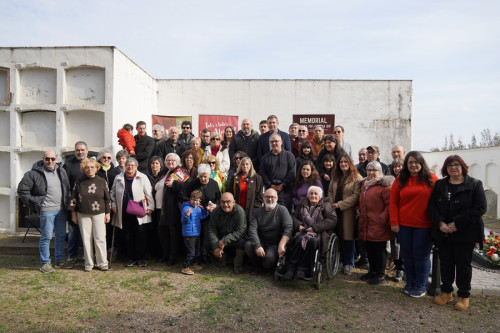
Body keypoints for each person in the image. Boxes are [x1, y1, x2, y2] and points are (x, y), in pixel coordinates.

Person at [428, 155, 487, 311]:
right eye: (449, 165)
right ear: (445, 169)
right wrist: (440, 223)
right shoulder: (440, 185)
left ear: (463, 166)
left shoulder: (474, 184)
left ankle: (463, 296)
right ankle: (446, 292)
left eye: (456, 165)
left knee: (463, 265)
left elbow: (480, 208)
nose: (453, 168)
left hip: (465, 232)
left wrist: (457, 223)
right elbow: (432, 207)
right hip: (444, 231)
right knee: (446, 263)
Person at [389, 151, 439, 298]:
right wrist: (394, 222)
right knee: (408, 256)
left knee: (421, 256)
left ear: (421, 163)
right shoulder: (400, 179)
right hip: (404, 225)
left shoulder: (432, 179)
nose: (413, 165)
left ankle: (420, 286)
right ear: (406, 164)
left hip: (424, 225)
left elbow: (438, 201)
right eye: (410, 162)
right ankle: (409, 283)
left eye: (416, 162)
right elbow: (393, 202)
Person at [17, 150, 71, 273]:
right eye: (47, 159)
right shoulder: (33, 174)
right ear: (43, 159)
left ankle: (59, 260)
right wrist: (35, 202)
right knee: (46, 237)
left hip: (61, 210)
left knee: (60, 236)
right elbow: (22, 190)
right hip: (46, 211)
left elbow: (66, 189)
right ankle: (45, 263)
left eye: (52, 159)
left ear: (56, 159)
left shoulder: (61, 171)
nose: (50, 161)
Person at [279, 186, 337, 280]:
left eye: (315, 194)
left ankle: (303, 269)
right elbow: (293, 216)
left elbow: (332, 220)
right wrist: (298, 225)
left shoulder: (326, 205)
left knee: (312, 242)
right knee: (298, 239)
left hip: (318, 233)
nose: (313, 195)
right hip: (302, 232)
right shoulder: (302, 204)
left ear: (320, 196)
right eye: (311, 193)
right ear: (308, 195)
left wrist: (315, 228)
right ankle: (291, 268)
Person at [110, 157, 154, 267]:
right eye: (128, 165)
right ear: (125, 166)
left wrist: (150, 207)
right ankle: (130, 258)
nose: (130, 167)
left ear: (136, 167)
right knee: (127, 235)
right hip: (124, 211)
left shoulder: (142, 177)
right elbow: (112, 193)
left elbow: (148, 193)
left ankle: (141, 258)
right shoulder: (118, 177)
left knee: (141, 235)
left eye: (132, 165)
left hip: (139, 210)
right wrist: (113, 205)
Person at [70, 158, 111, 272]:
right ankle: (88, 263)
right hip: (82, 213)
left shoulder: (102, 181)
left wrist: (107, 213)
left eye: (92, 167)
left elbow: (108, 199)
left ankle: (102, 262)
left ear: (97, 168)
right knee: (86, 239)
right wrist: (73, 214)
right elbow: (73, 198)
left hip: (99, 213)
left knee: (100, 238)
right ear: (83, 169)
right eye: (87, 167)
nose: (90, 169)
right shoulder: (79, 181)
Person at [357, 161, 394, 285]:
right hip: (366, 222)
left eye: (374, 170)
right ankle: (372, 271)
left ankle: (380, 274)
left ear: (380, 172)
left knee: (379, 250)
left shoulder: (384, 185)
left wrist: (381, 219)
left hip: (379, 223)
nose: (371, 173)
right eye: (369, 170)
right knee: (370, 248)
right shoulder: (364, 184)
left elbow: (390, 205)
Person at [328, 153, 362, 275]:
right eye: (341, 162)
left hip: (348, 212)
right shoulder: (336, 176)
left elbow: (356, 196)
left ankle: (349, 263)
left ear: (350, 163)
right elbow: (330, 191)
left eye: (345, 162)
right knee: (338, 236)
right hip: (335, 211)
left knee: (348, 238)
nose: (343, 164)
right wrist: (332, 203)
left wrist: (340, 204)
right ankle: (339, 261)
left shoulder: (357, 177)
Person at [245, 189, 293, 273]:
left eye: (272, 197)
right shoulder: (257, 212)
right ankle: (257, 266)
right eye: (267, 197)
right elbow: (252, 229)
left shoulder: (282, 210)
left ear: (277, 198)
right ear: (263, 197)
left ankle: (268, 267)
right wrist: (257, 245)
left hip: (275, 244)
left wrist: (282, 245)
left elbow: (288, 228)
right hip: (262, 241)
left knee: (269, 258)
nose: (270, 199)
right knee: (248, 245)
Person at [161, 153, 190, 266]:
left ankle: (173, 257)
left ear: (177, 162)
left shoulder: (180, 173)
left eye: (173, 160)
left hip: (176, 208)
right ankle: (167, 255)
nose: (170, 162)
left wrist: (175, 184)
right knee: (166, 233)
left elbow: (187, 187)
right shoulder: (167, 172)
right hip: (166, 207)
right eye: (168, 160)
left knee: (174, 234)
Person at [207, 192, 247, 274]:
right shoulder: (215, 212)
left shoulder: (240, 212)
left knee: (243, 243)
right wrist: (215, 246)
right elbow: (212, 229)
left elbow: (241, 231)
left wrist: (225, 240)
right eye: (223, 202)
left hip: (235, 238)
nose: (225, 205)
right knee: (209, 241)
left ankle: (237, 265)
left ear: (234, 202)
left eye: (228, 201)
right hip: (221, 237)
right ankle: (222, 260)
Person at [64, 141, 89, 266]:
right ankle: (72, 255)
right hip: (73, 202)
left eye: (82, 150)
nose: (80, 152)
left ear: (87, 151)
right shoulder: (68, 164)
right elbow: (65, 183)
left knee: (87, 231)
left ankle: (87, 254)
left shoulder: (91, 164)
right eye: (78, 150)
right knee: (73, 230)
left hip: (89, 203)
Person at [260, 133, 296, 211]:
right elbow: (263, 173)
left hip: (285, 191)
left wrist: (282, 185)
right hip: (270, 191)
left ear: (281, 142)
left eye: (276, 141)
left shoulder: (289, 156)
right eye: (272, 142)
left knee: (284, 213)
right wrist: (270, 185)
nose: (274, 143)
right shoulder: (265, 157)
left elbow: (292, 173)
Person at [180, 190, 210, 275]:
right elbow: (183, 221)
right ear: (190, 199)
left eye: (197, 200)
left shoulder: (198, 208)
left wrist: (206, 210)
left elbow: (201, 217)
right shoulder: (186, 208)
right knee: (191, 252)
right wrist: (187, 215)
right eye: (193, 200)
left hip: (197, 233)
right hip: (189, 234)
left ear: (200, 201)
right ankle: (185, 267)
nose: (195, 202)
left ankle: (194, 264)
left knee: (197, 251)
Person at [227, 157, 264, 224]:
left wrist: (255, 209)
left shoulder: (257, 178)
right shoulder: (235, 177)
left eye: (247, 164)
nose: (245, 166)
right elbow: (230, 193)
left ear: (251, 165)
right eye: (243, 164)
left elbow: (259, 196)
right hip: (237, 209)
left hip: (251, 211)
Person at [97, 150, 121, 251]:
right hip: (100, 203)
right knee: (102, 227)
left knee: (112, 226)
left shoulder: (116, 171)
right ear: (100, 159)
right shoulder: (97, 171)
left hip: (113, 202)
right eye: (104, 157)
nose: (106, 159)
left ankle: (111, 248)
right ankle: (102, 248)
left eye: (109, 158)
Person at [145, 156, 167, 259]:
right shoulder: (146, 175)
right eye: (153, 163)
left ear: (161, 165)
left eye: (157, 163)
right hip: (148, 206)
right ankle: (150, 251)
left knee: (159, 230)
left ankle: (160, 252)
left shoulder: (164, 176)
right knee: (149, 229)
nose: (155, 165)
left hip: (159, 207)